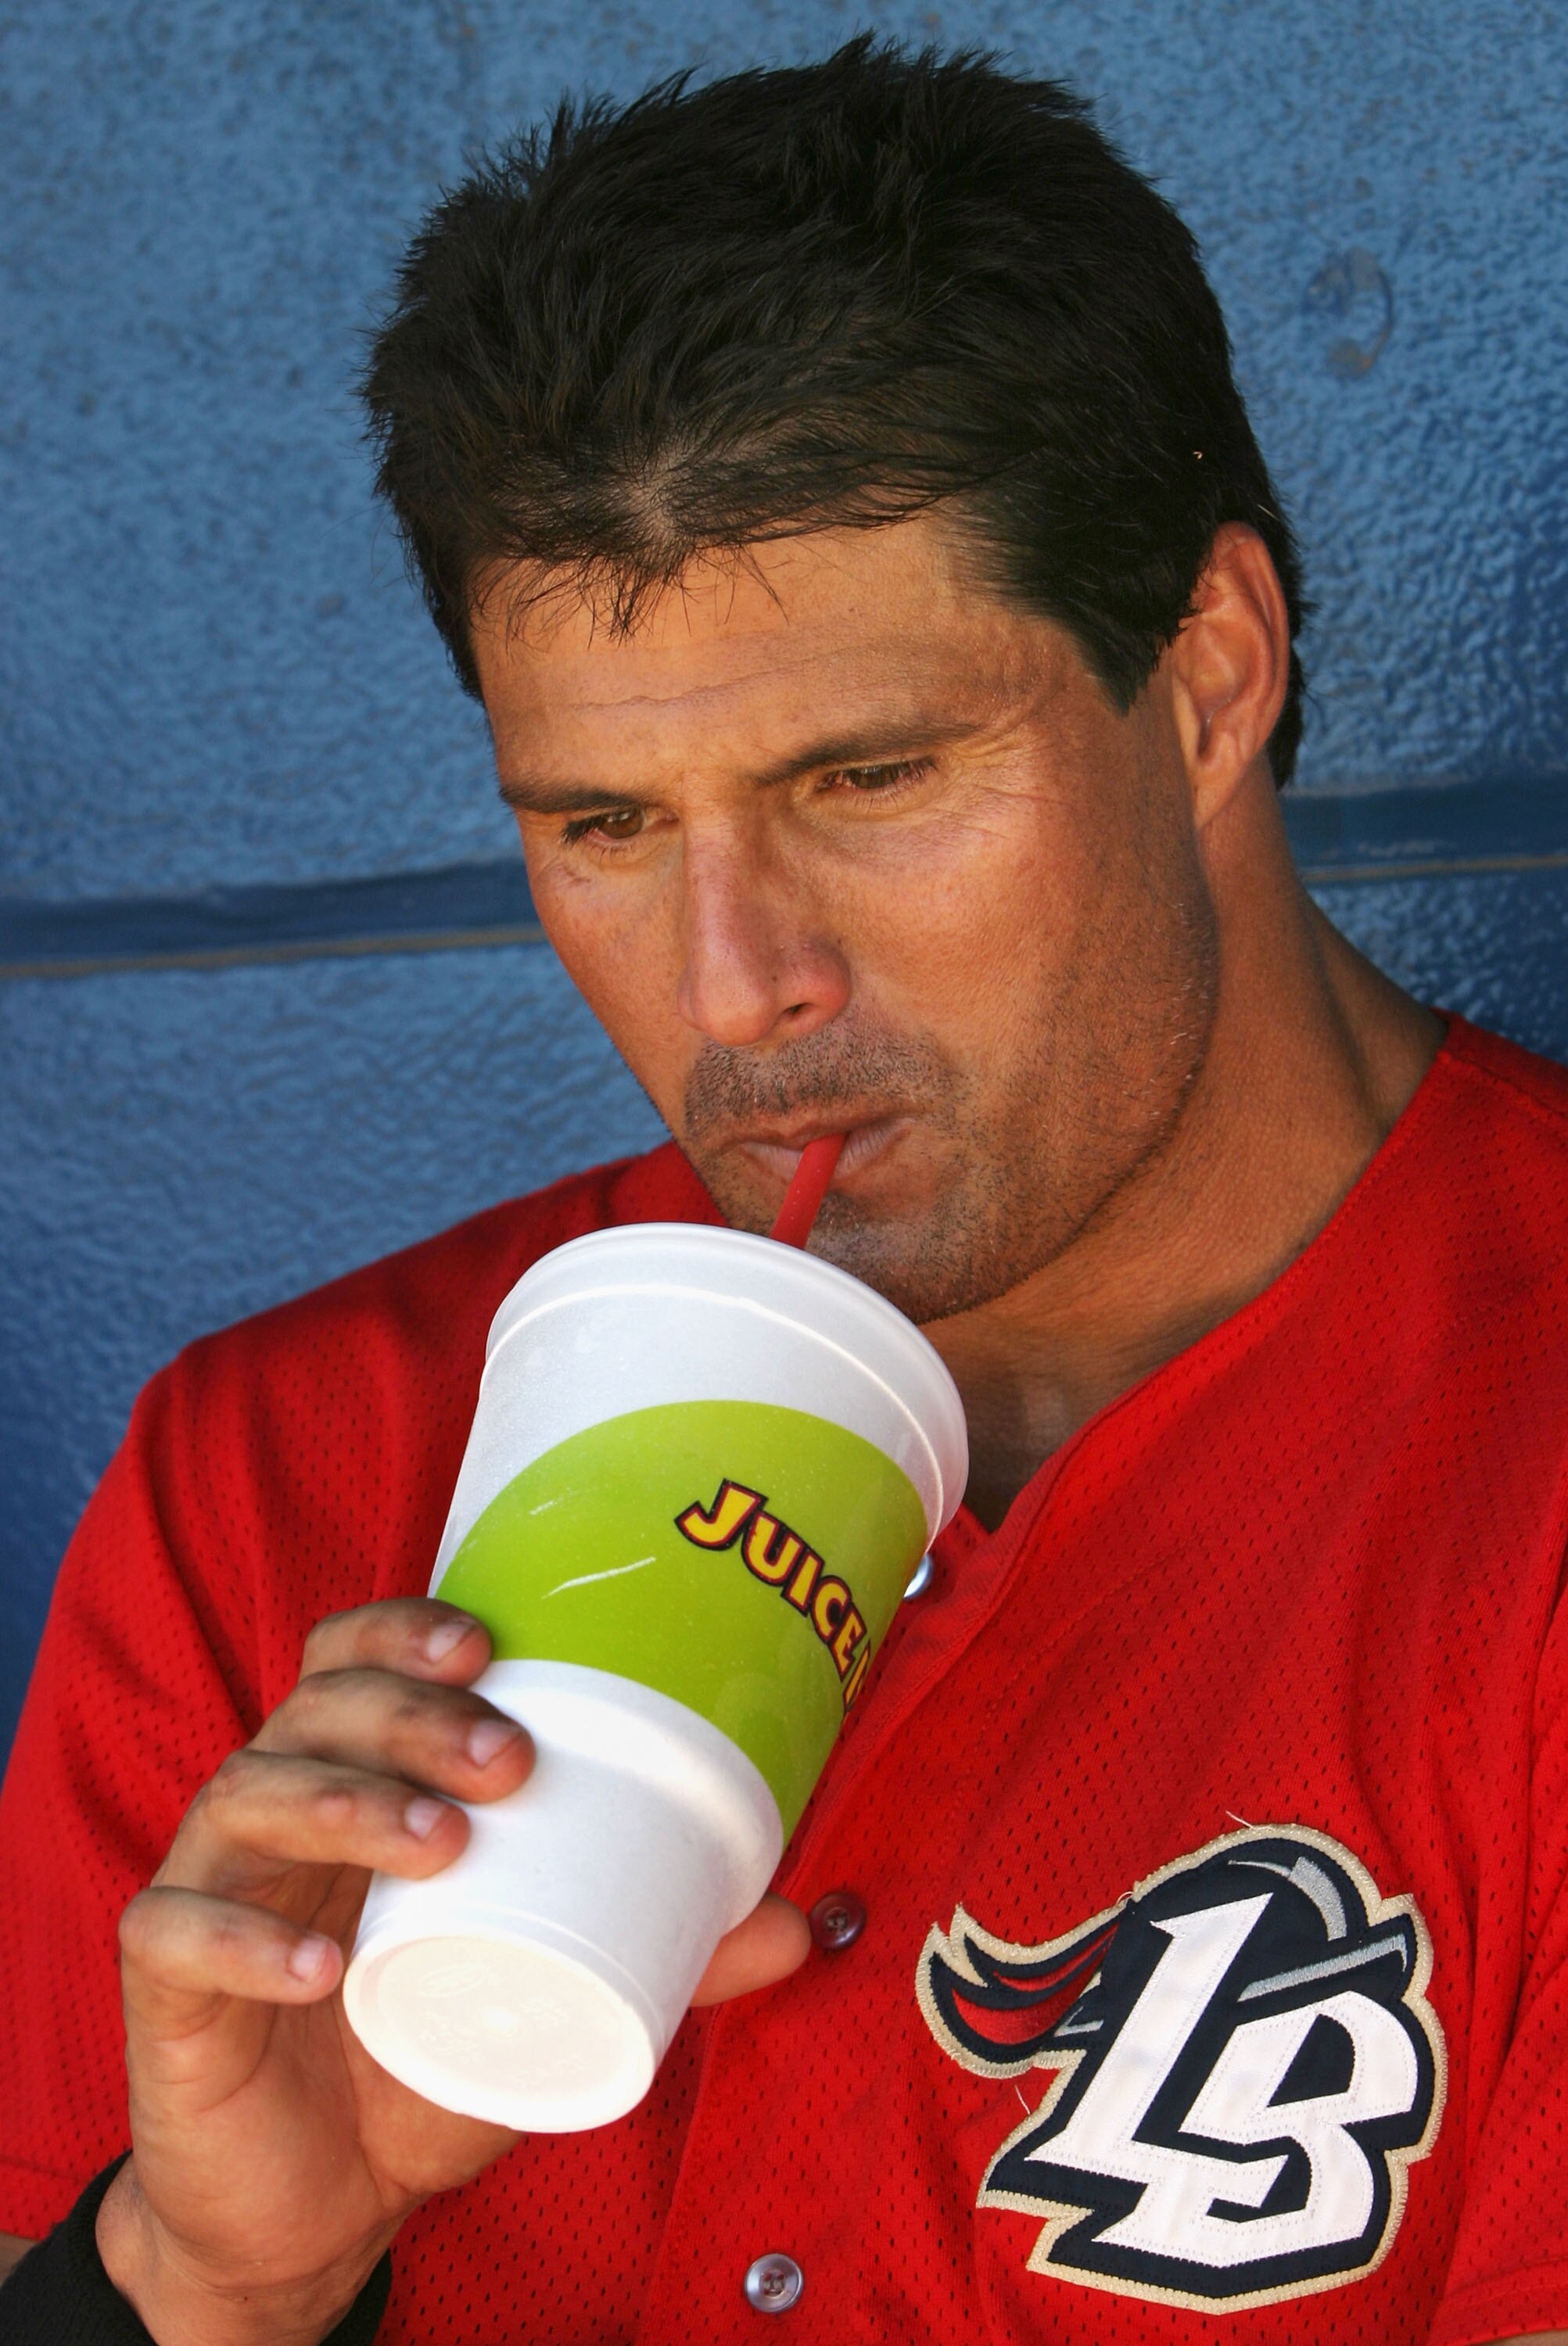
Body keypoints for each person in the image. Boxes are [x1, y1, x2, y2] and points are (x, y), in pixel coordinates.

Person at [1, 36, 1565, 2345]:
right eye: (605, 830)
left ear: (1211, 673)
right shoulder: (288, 1480)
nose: (742, 991)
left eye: (872, 773)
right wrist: (199, 2281)